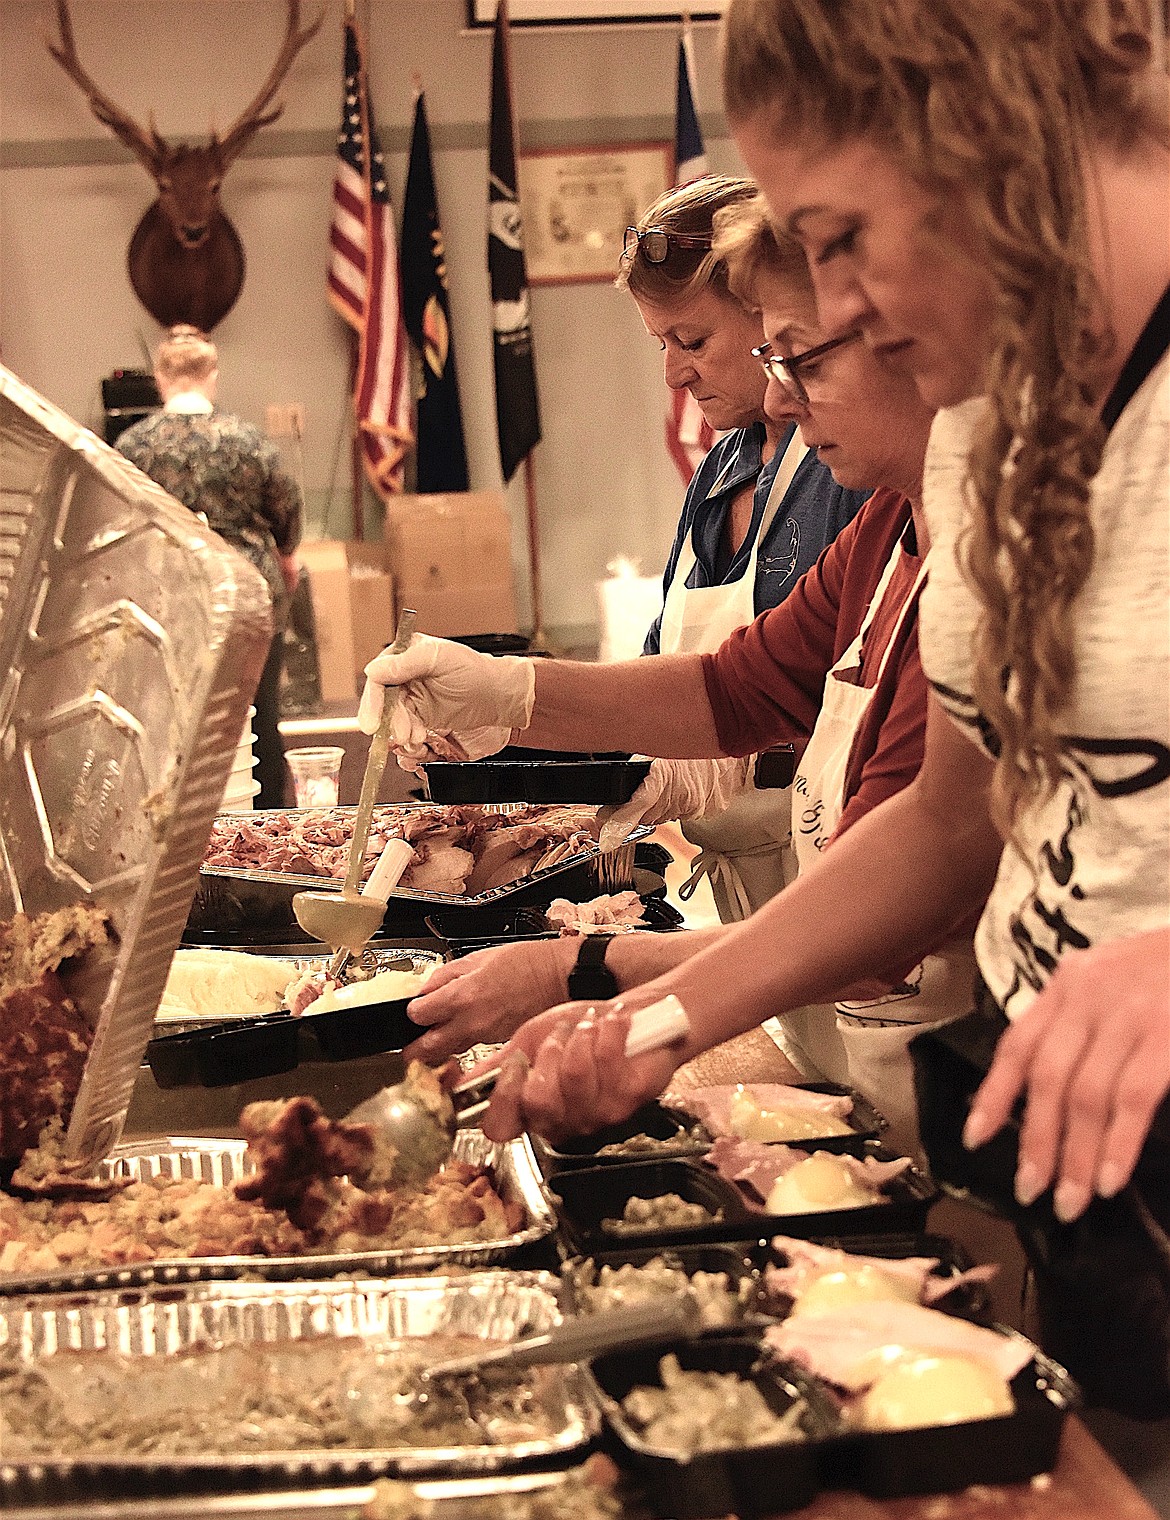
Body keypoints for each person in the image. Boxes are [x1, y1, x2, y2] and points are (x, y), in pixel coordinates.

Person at [362, 0, 1169, 1454]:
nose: (841, 312)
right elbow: (942, 822)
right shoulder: (987, 427)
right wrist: (658, 1021)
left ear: (982, 135)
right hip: (1094, 1187)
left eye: (843, 233)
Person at [380, 196, 961, 1155]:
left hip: (968, 1085)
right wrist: (504, 690)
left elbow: (879, 931)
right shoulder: (885, 531)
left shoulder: (978, 580)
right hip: (881, 1058)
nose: (779, 399)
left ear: (916, 341)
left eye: (799, 357)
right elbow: (731, 690)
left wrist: (590, 977)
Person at [619, 175, 868, 921]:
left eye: (692, 340)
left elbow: (855, 708)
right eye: (660, 343)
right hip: (740, 884)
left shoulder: (852, 472)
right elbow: (669, 664)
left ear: (771, 313)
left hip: (844, 874)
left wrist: (740, 763)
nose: (673, 372)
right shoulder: (720, 473)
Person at [118, 326, 303, 808]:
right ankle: (271, 832)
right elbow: (286, 504)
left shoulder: (134, 447)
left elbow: (121, 523)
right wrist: (285, 555)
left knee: (175, 718)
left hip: (173, 593)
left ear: (160, 378)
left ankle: (185, 833)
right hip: (250, 587)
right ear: (212, 375)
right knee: (260, 712)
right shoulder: (247, 440)